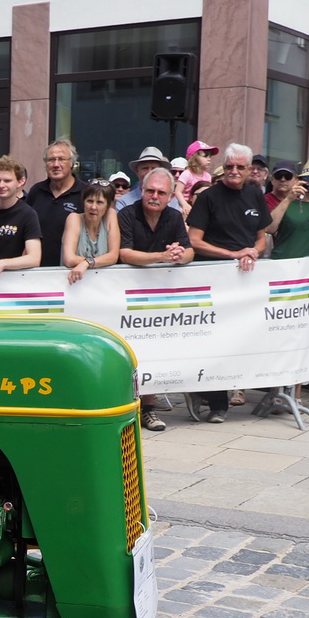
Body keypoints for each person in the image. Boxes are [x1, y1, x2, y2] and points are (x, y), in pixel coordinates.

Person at [185, 142, 269, 422]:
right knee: (212, 340)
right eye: (230, 166)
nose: (234, 171)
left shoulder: (255, 195)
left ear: (249, 170)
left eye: (240, 167)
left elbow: (261, 236)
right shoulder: (209, 197)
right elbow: (195, 241)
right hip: (211, 278)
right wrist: (233, 254)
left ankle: (216, 393)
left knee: (237, 338)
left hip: (244, 280)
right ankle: (216, 402)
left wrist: (254, 251)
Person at [117, 168, 195, 431]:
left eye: (161, 193)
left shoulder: (173, 217)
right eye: (150, 190)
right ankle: (126, 406)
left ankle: (147, 409)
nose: (154, 196)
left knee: (154, 350)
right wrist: (161, 257)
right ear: (142, 189)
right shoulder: (127, 214)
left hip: (159, 299)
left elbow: (190, 252)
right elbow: (125, 253)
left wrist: (177, 255)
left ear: (171, 195)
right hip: (126, 296)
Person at [0, 156, 42, 281]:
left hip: (8, 281)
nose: (1, 185)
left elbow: (34, 258)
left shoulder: (28, 214)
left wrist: (1, 264)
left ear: (20, 182)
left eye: (7, 181)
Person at [27, 137, 86, 268]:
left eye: (62, 159)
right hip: (37, 270)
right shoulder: (36, 191)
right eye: (51, 160)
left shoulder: (85, 193)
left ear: (72, 163)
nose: (56, 164)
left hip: (73, 271)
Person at [62, 182, 120, 284]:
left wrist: (87, 263)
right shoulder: (74, 218)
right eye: (89, 201)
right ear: (83, 202)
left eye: (100, 202)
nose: (93, 207)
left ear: (108, 206)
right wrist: (100, 261)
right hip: (73, 283)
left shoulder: (111, 215)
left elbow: (113, 256)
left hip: (102, 285)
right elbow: (69, 259)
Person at [116, 147, 176, 211]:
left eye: (154, 169)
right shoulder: (124, 202)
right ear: (137, 171)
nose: (149, 172)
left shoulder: (172, 201)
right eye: (145, 168)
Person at [177, 139, 218, 207]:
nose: (209, 159)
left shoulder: (207, 176)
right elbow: (178, 191)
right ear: (194, 157)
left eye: (210, 156)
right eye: (205, 156)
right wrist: (184, 204)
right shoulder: (187, 174)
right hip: (186, 206)